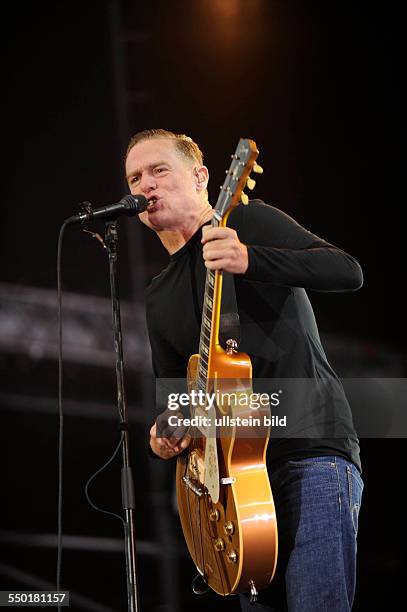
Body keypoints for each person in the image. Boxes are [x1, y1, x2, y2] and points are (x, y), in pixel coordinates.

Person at [125, 128, 364, 612]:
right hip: (232, 487)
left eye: (158, 170)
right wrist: (163, 435)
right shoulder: (158, 295)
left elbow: (347, 270)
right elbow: (174, 399)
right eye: (134, 177)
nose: (144, 185)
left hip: (308, 451)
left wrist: (250, 259)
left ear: (201, 177)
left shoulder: (246, 222)